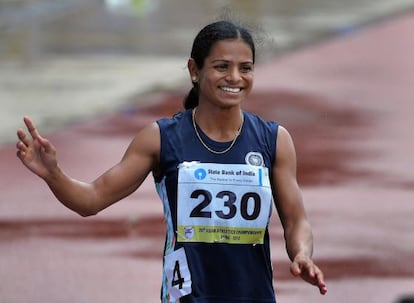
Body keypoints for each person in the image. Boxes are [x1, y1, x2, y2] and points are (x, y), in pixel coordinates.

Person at [16, 20, 327, 302]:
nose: (235, 77)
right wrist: (53, 174)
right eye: (221, 66)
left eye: (245, 68)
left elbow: (296, 220)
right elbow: (92, 199)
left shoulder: (274, 140)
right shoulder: (161, 138)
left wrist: (302, 253)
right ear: (195, 70)